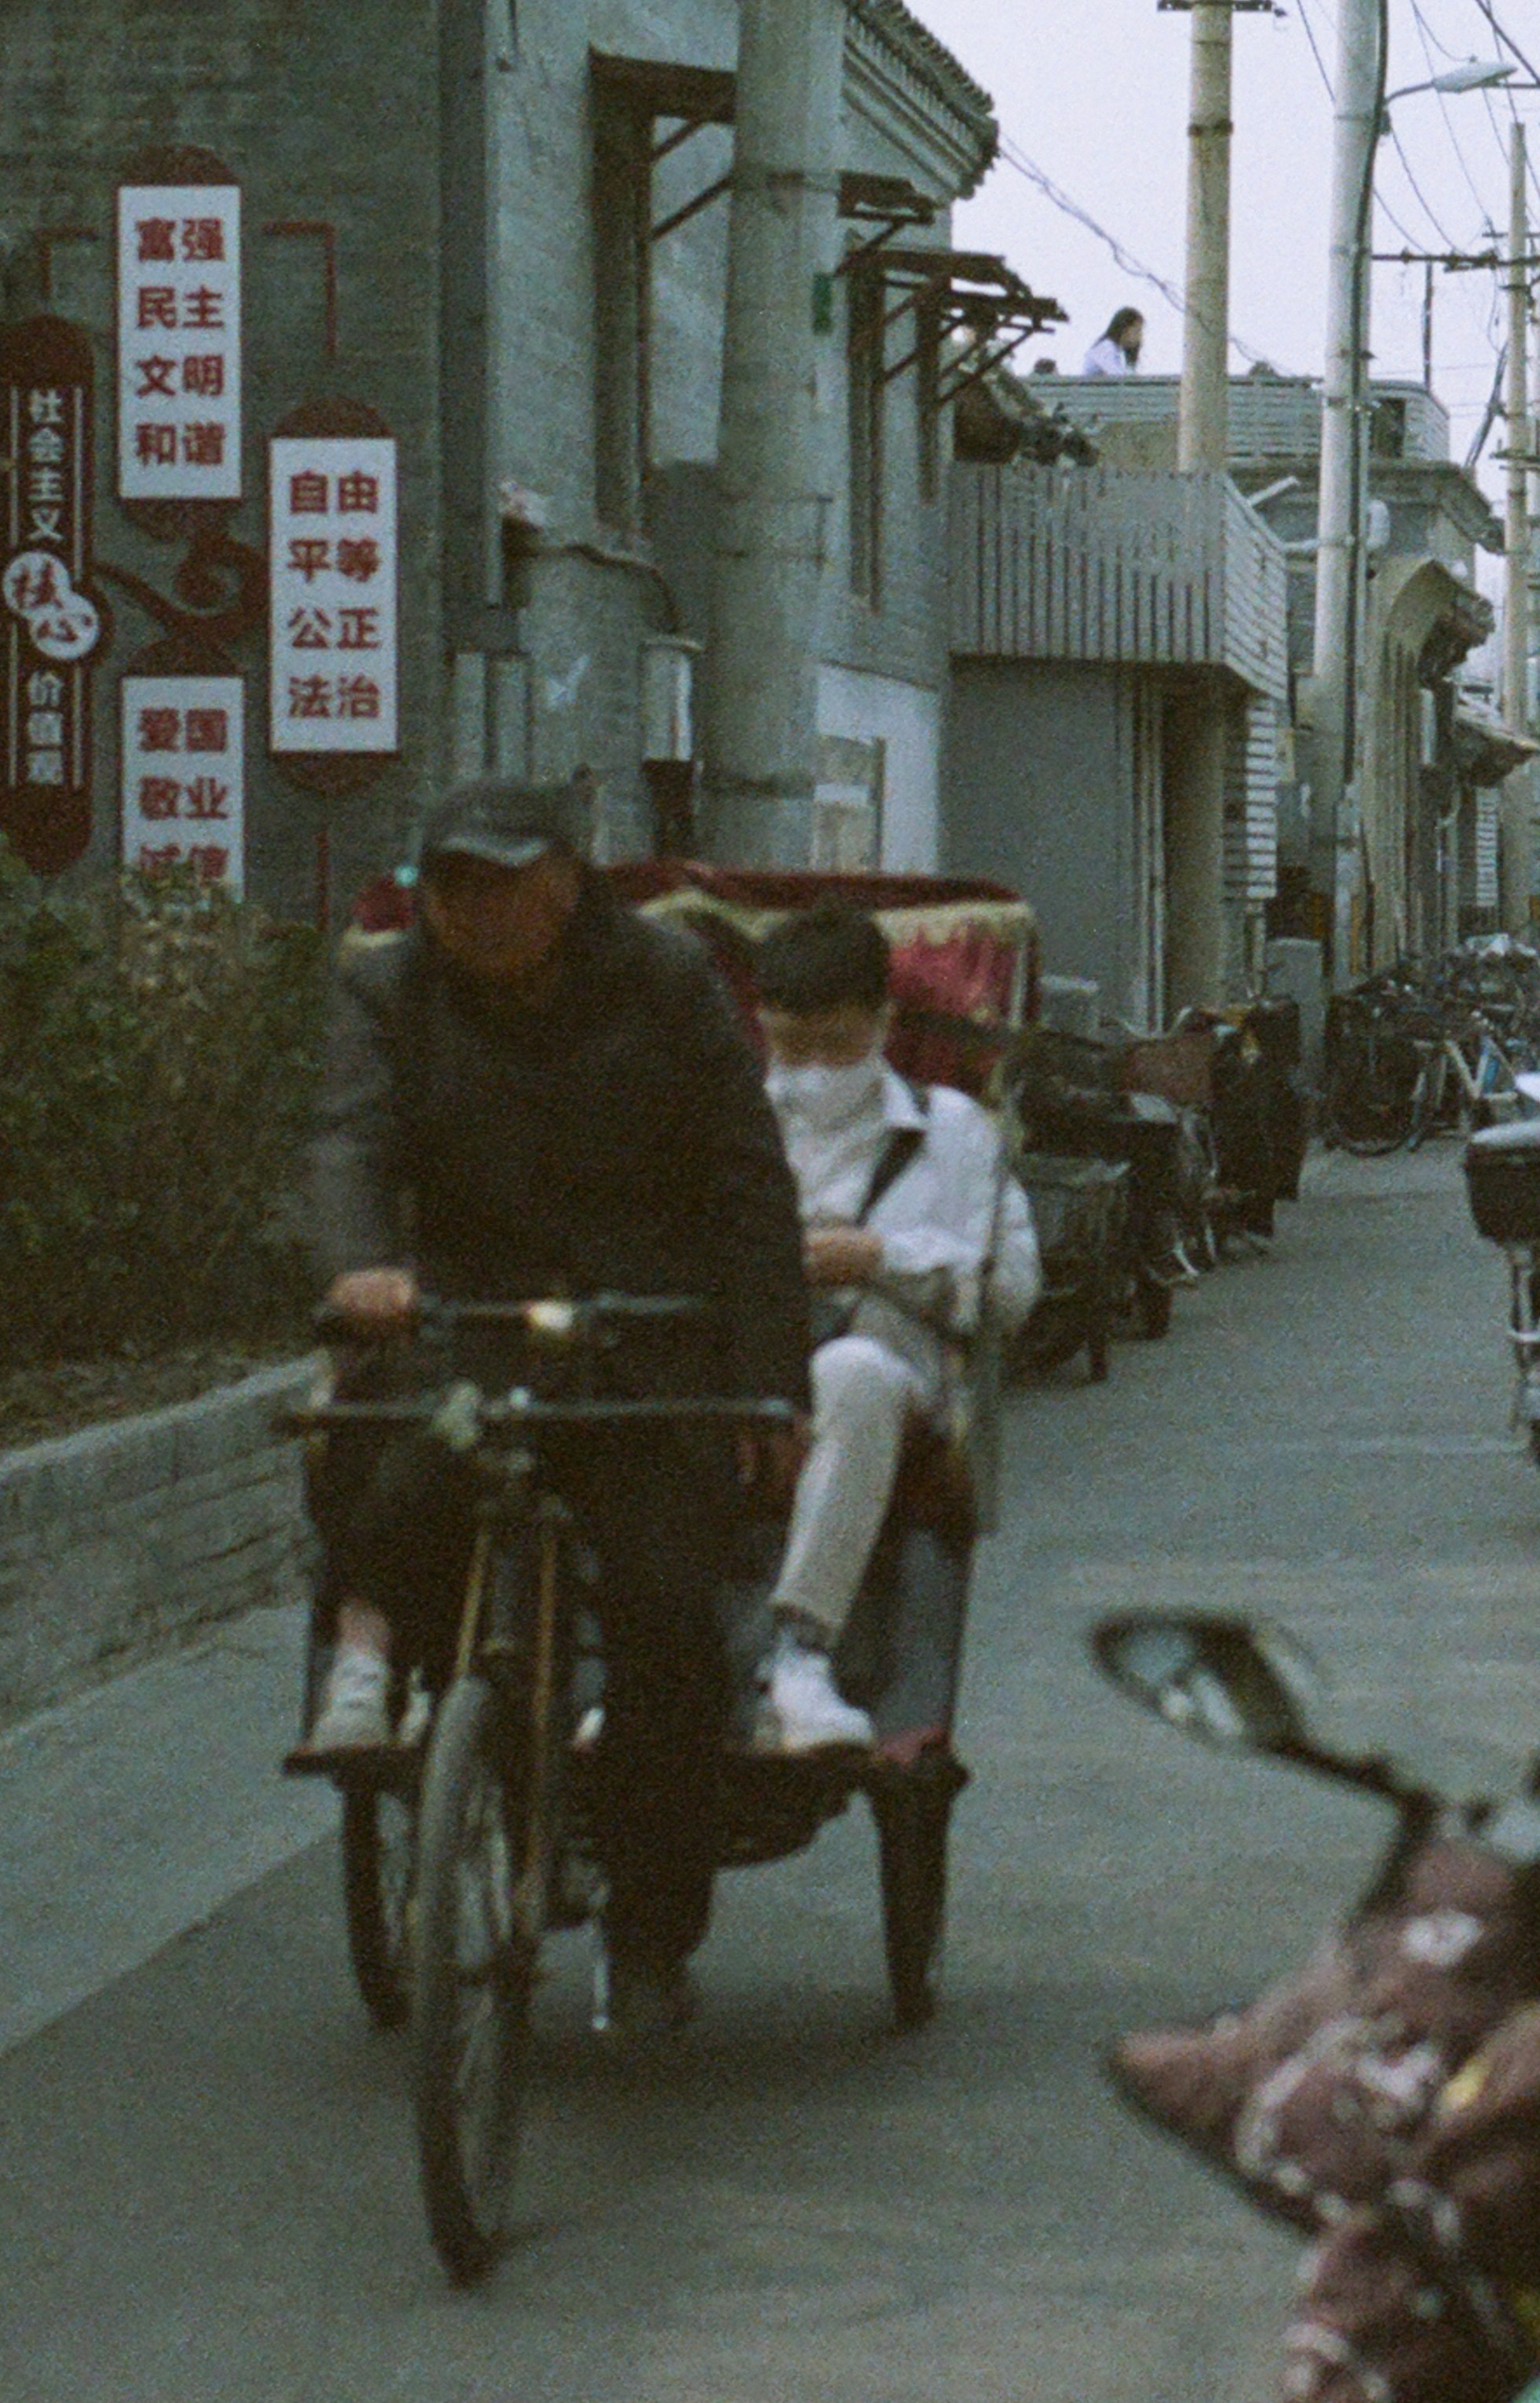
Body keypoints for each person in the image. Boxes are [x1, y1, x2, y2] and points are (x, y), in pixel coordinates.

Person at [293, 782, 810, 1988]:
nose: (473, 908)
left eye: (500, 878)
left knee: (665, 1626)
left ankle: (650, 1933)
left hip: (647, 1331)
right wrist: (362, 1264)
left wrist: (767, 1385)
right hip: (471, 1321)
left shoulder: (667, 981)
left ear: (565, 879)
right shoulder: (389, 989)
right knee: (383, 1457)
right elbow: (347, 1141)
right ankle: (386, 1668)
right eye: (451, 883)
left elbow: (749, 1186)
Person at [739, 904, 1041, 1751]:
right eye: (788, 1046)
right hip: (744, 1382)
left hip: (893, 1391)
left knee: (853, 1371)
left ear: (881, 1024)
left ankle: (798, 1655)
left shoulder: (957, 1134)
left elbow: (1009, 1291)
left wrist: (878, 1256)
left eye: (833, 1045)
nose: (809, 1072)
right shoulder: (732, 1126)